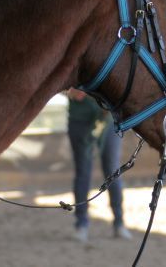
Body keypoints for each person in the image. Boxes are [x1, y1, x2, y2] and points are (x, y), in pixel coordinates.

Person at [66, 88, 132, 243]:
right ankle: (81, 224)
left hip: (108, 120)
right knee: (83, 172)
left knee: (112, 171)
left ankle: (119, 222)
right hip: (80, 120)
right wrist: (68, 90)